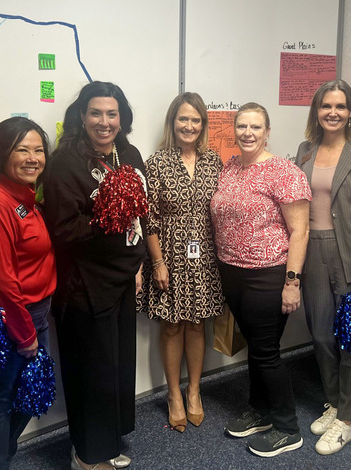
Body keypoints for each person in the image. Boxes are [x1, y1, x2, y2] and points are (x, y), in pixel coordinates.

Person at [43, 81, 146, 470]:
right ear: (82, 117)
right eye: (96, 113)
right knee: (90, 371)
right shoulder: (65, 162)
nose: (104, 122)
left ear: (122, 118)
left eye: (112, 114)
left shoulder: (129, 153)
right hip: (85, 284)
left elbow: (139, 212)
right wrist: (108, 218)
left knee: (115, 368)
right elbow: (64, 230)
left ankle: (106, 442)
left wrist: (137, 265)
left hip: (122, 277)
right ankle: (87, 455)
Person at [210, 102, 311, 458]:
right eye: (242, 127)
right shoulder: (231, 167)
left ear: (267, 132)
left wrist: (292, 282)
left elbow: (300, 230)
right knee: (256, 347)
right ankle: (261, 411)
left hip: (268, 275)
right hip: (232, 272)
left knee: (267, 353)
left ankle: (287, 428)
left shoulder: (285, 172)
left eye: (255, 127)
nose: (248, 133)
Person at [295, 80, 351, 455]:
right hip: (311, 250)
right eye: (326, 106)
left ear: (350, 112)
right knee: (319, 335)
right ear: (317, 111)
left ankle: (347, 418)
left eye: (341, 106)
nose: (333, 112)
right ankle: (333, 401)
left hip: (350, 255)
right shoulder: (304, 150)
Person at [0, 117, 56, 470]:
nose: (32, 157)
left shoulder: (21, 196)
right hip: (16, 316)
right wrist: (25, 334)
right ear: (2, 153)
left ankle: (0, 456)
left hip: (35, 311)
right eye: (22, 150)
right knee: (3, 398)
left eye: (38, 150)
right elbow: (3, 282)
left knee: (30, 392)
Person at [138, 92, 224, 433]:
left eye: (195, 120)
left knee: (198, 324)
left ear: (202, 125)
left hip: (205, 254)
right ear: (173, 122)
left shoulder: (213, 161)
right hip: (168, 253)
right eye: (183, 119)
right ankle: (174, 394)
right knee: (172, 324)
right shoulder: (156, 162)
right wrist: (157, 262)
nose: (189, 126)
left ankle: (194, 391)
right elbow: (149, 218)